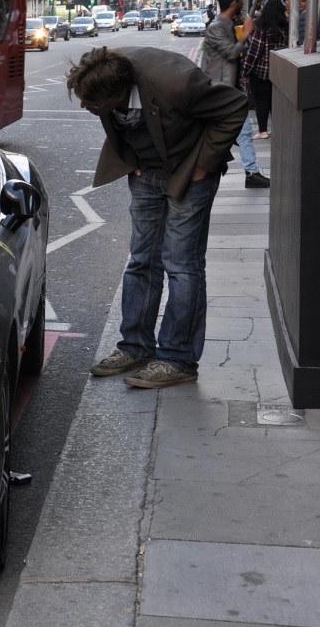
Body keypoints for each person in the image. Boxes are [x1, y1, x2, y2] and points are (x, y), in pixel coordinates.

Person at [68, 46, 246, 389]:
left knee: (181, 264)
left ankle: (178, 358)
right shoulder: (104, 74)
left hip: (187, 173)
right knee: (141, 261)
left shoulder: (178, 83)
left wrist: (203, 167)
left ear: (117, 94)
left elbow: (234, 106)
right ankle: (134, 347)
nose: (83, 106)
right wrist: (133, 163)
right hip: (145, 173)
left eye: (91, 102)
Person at [201, 0, 269, 188]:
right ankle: (247, 171)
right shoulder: (215, 28)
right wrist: (246, 35)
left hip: (231, 89)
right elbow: (230, 53)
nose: (243, 3)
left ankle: (250, 172)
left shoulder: (229, 23)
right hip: (219, 91)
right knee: (232, 132)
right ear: (234, 3)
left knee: (242, 131)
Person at [241, 0, 289, 139]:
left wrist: (246, 70)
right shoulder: (285, 28)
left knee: (261, 101)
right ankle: (277, 128)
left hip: (260, 72)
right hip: (279, 71)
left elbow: (254, 53)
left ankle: (263, 131)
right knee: (275, 101)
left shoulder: (262, 30)